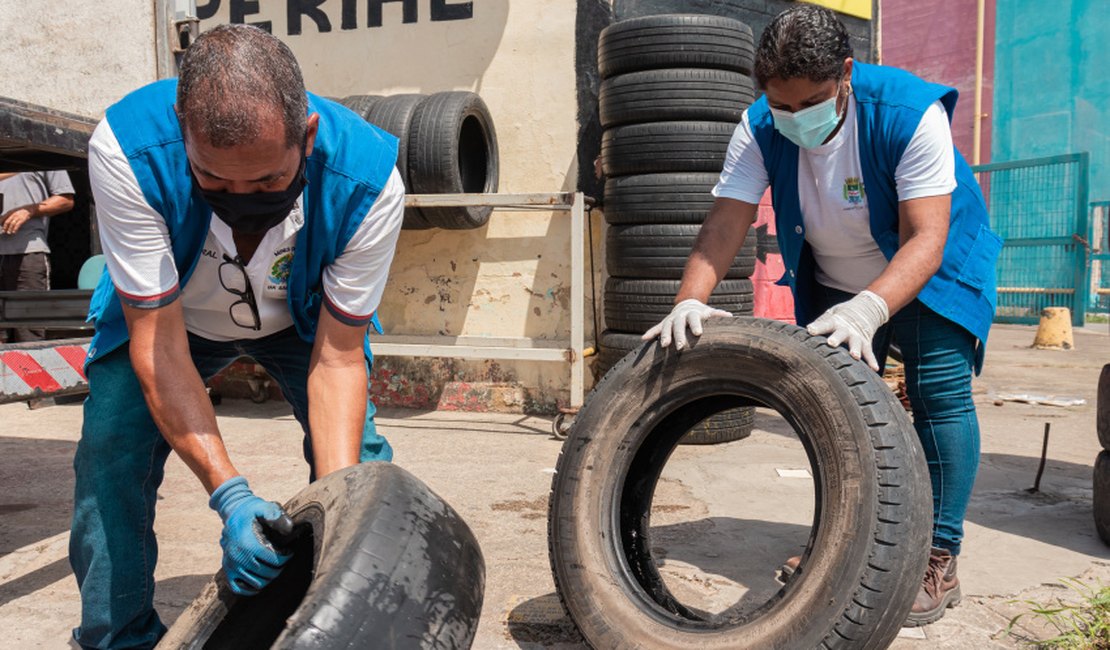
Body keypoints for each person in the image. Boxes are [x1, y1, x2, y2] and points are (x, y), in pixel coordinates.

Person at [643, 5, 1001, 626]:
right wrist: (689, 300)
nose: (793, 119)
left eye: (809, 102)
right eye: (781, 105)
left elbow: (925, 237)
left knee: (937, 395)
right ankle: (848, 540)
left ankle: (936, 556)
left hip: (929, 266)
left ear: (846, 73)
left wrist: (870, 307)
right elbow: (728, 218)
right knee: (836, 402)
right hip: (837, 272)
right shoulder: (760, 125)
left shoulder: (908, 114)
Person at [69, 24, 404, 649]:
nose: (241, 200)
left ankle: (353, 620)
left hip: (301, 321)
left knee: (361, 469)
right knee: (110, 452)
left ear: (305, 135)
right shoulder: (126, 149)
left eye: (268, 182)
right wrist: (231, 496)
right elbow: (160, 346)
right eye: (215, 182)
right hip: (171, 322)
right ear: (182, 128)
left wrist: (335, 512)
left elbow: (336, 359)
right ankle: (118, 637)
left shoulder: (370, 180)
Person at [0, 170, 75, 342]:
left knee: (29, 331)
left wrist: (30, 210)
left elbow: (66, 200)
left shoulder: (40, 155)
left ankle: (30, 369)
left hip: (28, 252)